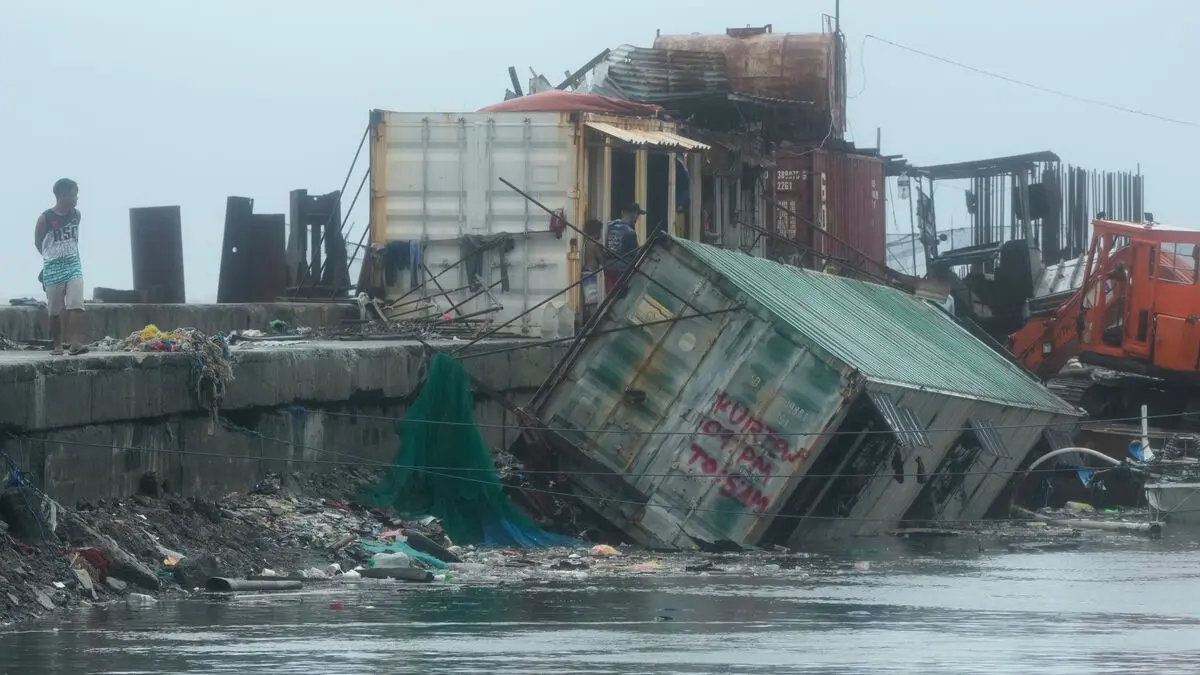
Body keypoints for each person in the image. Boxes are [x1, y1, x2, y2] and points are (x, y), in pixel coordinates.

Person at [35, 178, 87, 356]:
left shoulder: (76, 215)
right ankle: (57, 345)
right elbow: (38, 241)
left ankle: (75, 343)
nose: (76, 199)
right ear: (62, 195)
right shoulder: (45, 218)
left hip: (73, 265)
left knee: (77, 303)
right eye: (73, 195)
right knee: (54, 310)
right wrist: (49, 258)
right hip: (53, 268)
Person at [604, 203, 643, 296]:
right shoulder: (630, 233)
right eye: (638, 215)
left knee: (610, 297)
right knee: (621, 299)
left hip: (608, 268)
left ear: (622, 212)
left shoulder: (609, 226)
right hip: (622, 272)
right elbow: (636, 256)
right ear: (635, 215)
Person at [581, 218, 605, 321]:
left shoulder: (586, 242)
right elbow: (602, 261)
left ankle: (590, 320)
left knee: (590, 300)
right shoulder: (595, 244)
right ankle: (594, 323)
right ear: (596, 231)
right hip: (591, 274)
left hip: (586, 273)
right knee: (592, 302)